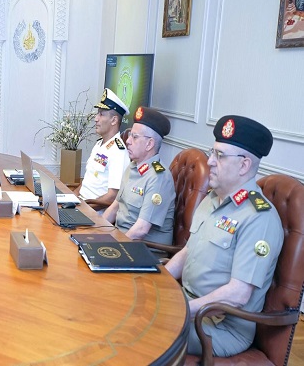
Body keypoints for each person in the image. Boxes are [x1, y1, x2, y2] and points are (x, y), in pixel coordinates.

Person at [165, 115, 283, 357]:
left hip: (219, 327)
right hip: (188, 304)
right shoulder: (212, 199)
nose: (210, 161)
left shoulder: (259, 218)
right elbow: (187, 252)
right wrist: (156, 283)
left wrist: (181, 310)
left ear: (244, 165)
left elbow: (238, 294)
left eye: (220, 156)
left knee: (144, 329)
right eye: (213, 152)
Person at [102, 106, 175, 244]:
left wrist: (114, 247)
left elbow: (141, 230)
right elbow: (115, 207)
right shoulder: (133, 166)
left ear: (149, 144)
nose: (128, 141)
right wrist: (96, 232)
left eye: (134, 137)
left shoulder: (158, 178)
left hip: (143, 248)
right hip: (122, 238)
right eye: (130, 135)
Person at [75, 88, 130, 209]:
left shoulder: (118, 152)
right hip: (81, 205)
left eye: (101, 114)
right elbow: (87, 182)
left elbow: (112, 197)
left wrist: (82, 209)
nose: (96, 118)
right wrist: (69, 199)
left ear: (114, 120)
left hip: (94, 213)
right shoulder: (99, 144)